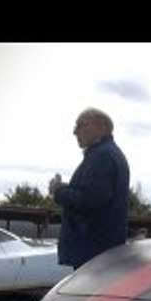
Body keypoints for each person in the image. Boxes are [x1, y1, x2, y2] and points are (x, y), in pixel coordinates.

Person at [48, 107, 129, 269]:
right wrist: (67, 188)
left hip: (92, 251)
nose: (74, 132)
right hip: (100, 250)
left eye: (79, 125)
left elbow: (91, 200)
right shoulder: (108, 154)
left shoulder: (101, 156)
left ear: (100, 127)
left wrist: (58, 191)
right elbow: (96, 194)